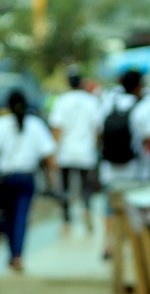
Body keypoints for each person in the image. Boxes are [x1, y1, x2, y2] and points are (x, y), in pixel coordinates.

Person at [0, 89, 56, 272]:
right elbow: (49, 154)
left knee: (8, 218)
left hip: (6, 179)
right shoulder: (35, 124)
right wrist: (52, 178)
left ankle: (13, 254)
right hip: (27, 178)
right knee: (21, 217)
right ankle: (17, 255)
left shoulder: (1, 124)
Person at [98, 69, 150, 258]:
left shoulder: (110, 103)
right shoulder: (144, 107)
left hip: (109, 169)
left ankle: (109, 244)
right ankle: (135, 246)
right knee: (135, 209)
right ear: (139, 86)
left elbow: (99, 133)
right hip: (135, 170)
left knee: (110, 208)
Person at [48, 65, 101, 231]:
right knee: (86, 186)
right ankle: (86, 210)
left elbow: (57, 128)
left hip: (66, 151)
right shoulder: (91, 101)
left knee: (65, 187)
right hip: (86, 151)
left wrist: (54, 151)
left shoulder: (62, 101)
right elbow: (97, 128)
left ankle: (66, 221)